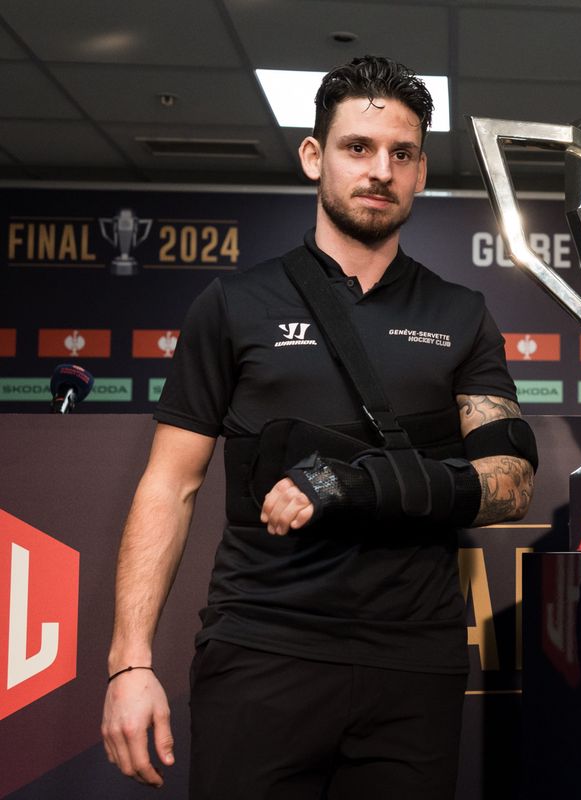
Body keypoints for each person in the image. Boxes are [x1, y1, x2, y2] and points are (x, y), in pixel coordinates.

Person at [101, 55, 536, 800]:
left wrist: (353, 482)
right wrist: (130, 663)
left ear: (422, 171)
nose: (380, 170)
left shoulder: (461, 314)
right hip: (262, 648)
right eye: (357, 147)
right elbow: (170, 486)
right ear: (314, 156)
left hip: (414, 660)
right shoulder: (233, 304)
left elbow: (510, 485)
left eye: (401, 154)